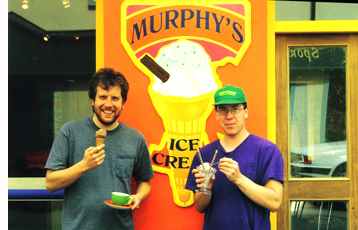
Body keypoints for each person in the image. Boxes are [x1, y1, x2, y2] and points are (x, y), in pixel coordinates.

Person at [45, 67, 154, 230]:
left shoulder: (135, 138)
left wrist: (138, 197)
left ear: (123, 103)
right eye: (102, 97)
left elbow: (145, 181)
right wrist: (84, 166)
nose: (108, 104)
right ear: (92, 100)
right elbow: (50, 183)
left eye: (115, 98)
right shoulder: (70, 131)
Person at [185, 85, 284, 230]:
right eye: (223, 110)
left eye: (235, 109)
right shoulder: (204, 154)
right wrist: (206, 188)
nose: (229, 116)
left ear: (246, 112)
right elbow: (200, 207)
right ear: (217, 115)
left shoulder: (267, 150)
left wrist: (239, 179)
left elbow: (275, 202)